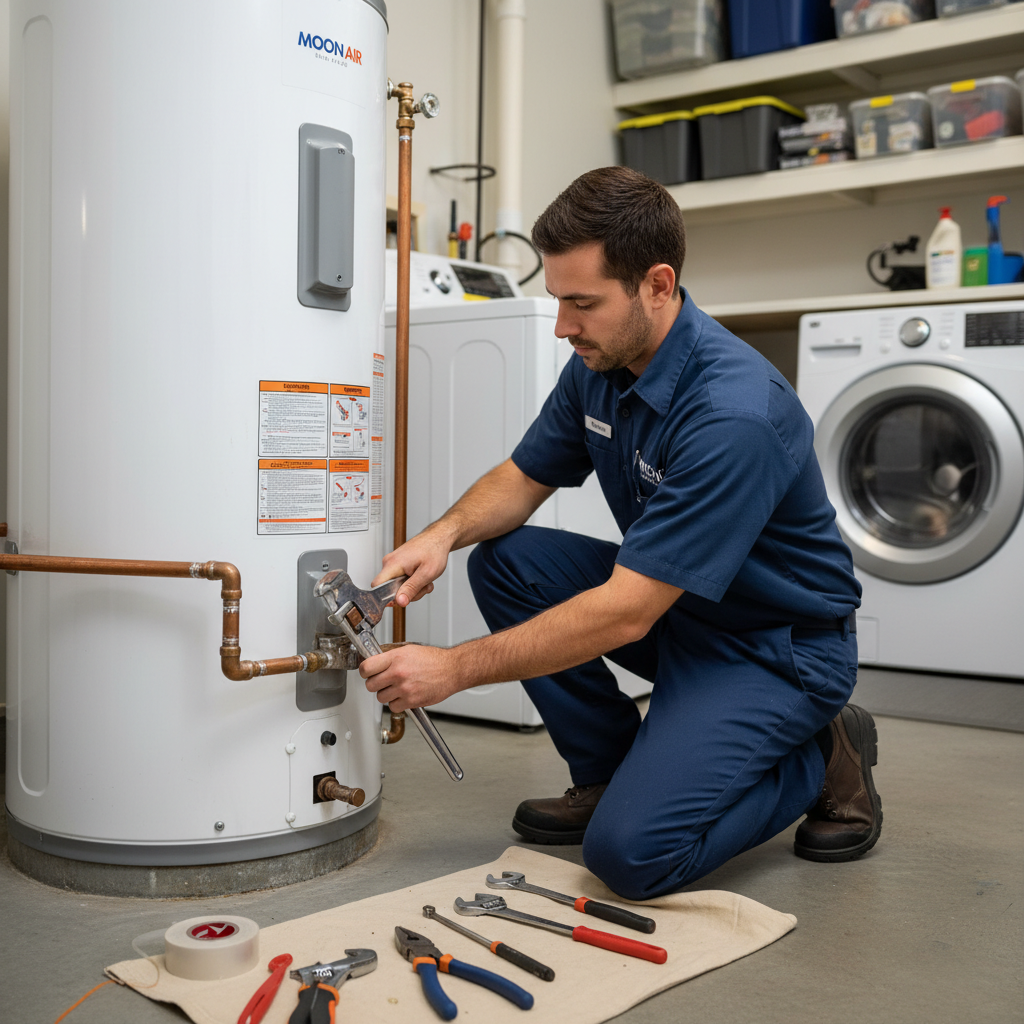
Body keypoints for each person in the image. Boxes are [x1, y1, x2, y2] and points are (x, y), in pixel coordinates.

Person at [361, 167, 881, 900]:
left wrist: (451, 671)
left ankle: (818, 752)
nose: (564, 326)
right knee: (508, 561)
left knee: (633, 857)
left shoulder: (733, 413)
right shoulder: (602, 364)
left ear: (658, 284)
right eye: (558, 301)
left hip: (774, 649)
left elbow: (628, 610)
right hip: (685, 612)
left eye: (582, 303)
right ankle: (609, 774)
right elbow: (522, 476)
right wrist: (441, 534)